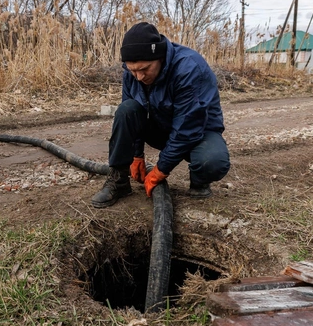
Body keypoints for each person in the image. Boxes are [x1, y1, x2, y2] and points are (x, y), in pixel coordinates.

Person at [91, 22, 230, 208]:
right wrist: (136, 155)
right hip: (160, 127)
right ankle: (119, 181)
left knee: (212, 161)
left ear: (160, 58)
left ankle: (200, 179)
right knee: (126, 110)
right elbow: (133, 113)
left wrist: (160, 170)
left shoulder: (188, 68)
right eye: (133, 70)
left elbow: (187, 127)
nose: (139, 77)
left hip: (197, 131)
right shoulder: (131, 74)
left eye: (145, 69)